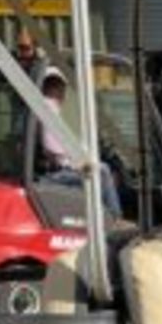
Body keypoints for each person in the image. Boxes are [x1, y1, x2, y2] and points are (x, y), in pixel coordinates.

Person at [36, 63, 120, 217]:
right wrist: (80, 158)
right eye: (55, 86)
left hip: (57, 167)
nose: (60, 92)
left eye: (59, 86)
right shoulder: (48, 106)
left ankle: (105, 215)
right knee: (103, 172)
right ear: (48, 88)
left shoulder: (46, 107)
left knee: (101, 169)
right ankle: (115, 218)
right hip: (56, 172)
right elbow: (53, 148)